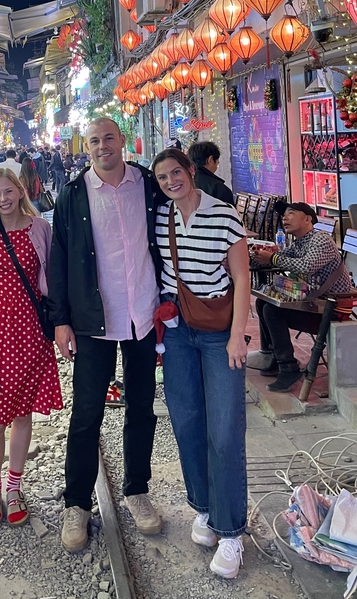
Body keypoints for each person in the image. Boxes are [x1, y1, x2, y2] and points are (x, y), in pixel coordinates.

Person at [49, 117, 165, 552]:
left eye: (108, 139)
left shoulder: (148, 184)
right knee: (86, 414)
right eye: (94, 141)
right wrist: (60, 320)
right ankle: (76, 503)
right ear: (88, 147)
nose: (102, 147)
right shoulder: (74, 194)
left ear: (122, 142)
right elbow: (58, 259)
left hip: (143, 317)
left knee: (142, 407)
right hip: (93, 322)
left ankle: (137, 490)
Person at [152, 148, 250, 579]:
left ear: (192, 172)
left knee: (225, 429)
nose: (172, 181)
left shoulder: (224, 215)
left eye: (177, 172)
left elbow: (242, 277)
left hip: (217, 333)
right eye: (162, 177)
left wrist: (236, 336)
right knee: (187, 420)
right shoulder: (162, 218)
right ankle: (207, 508)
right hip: (176, 333)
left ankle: (231, 530)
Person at [0, 168, 62, 524]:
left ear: (21, 192)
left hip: (29, 330)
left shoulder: (40, 229)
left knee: (22, 412)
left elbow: (52, 274)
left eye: (8, 192)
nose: (3, 199)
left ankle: (14, 486)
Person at [249, 202, 353, 391]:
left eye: (290, 213)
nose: (285, 218)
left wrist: (272, 258)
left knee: (273, 311)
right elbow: (279, 258)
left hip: (333, 309)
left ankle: (288, 367)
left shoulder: (320, 239)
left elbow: (306, 266)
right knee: (262, 302)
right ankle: (275, 356)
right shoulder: (300, 242)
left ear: (307, 219)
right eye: (283, 215)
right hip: (317, 305)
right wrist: (255, 255)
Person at [186, 142, 234, 206]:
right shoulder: (219, 189)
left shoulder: (184, 183)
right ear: (210, 160)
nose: (218, 163)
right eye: (217, 161)